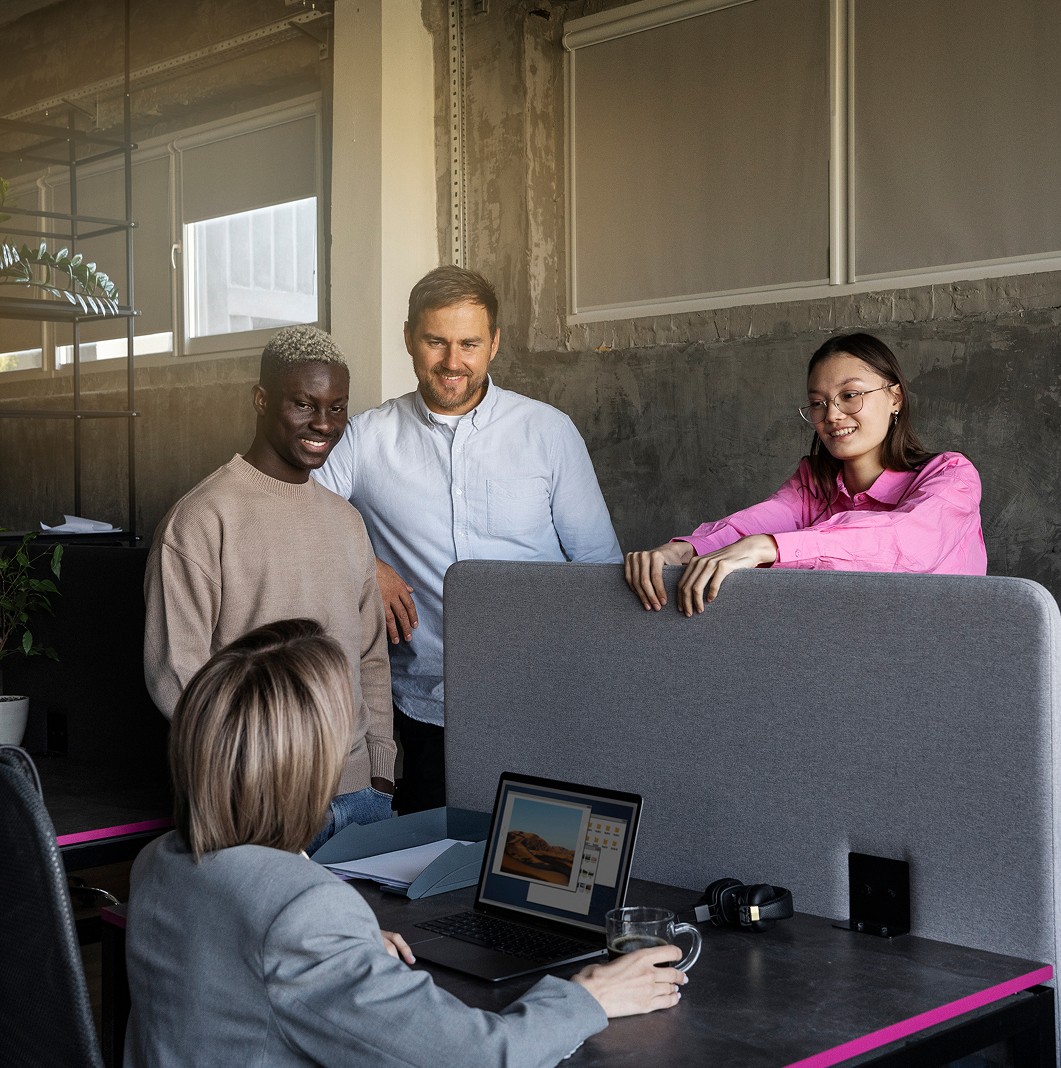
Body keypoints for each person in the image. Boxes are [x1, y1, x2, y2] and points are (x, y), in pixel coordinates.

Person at [124, 619, 686, 1067]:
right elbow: (478, 1056)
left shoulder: (160, 862)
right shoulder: (301, 911)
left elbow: (252, 964)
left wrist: (348, 948)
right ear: (307, 763)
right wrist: (590, 997)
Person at [315, 266, 621, 813]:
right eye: (436, 341)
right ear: (409, 338)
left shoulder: (548, 433)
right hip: (428, 709)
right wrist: (365, 565)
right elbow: (295, 512)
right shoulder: (365, 439)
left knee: (540, 869)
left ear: (494, 343)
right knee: (429, 874)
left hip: (544, 701)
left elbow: (598, 568)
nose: (453, 361)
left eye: (469, 343)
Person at [143, 326, 395, 844]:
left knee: (376, 930)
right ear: (261, 400)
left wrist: (380, 772)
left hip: (359, 800)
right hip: (257, 801)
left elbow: (369, 656)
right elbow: (176, 675)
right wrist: (251, 777)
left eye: (337, 407)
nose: (323, 424)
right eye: (304, 405)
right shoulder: (201, 519)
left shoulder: (346, 520)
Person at [625, 332, 987, 615]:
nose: (831, 415)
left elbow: (905, 542)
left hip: (944, 673)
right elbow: (750, 525)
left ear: (895, 398)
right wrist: (682, 551)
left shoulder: (951, 477)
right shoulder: (814, 483)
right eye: (818, 402)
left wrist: (769, 547)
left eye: (850, 395)